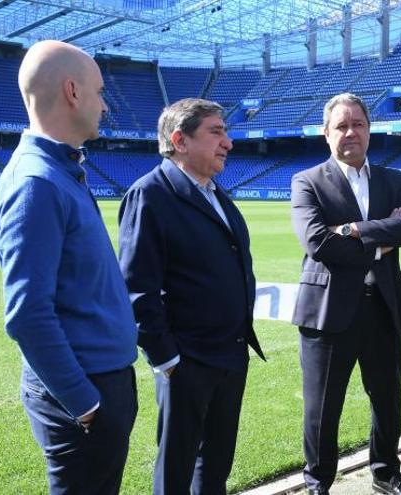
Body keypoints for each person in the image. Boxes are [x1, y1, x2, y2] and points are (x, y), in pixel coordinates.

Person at [0, 40, 138, 494]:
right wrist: (86, 405)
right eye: (97, 90)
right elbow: (29, 316)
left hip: (99, 382)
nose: (105, 104)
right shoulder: (36, 183)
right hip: (83, 394)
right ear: (72, 91)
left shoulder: (60, 171)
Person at [118, 97, 264, 495]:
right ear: (180, 140)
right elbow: (136, 287)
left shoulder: (216, 193)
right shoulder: (150, 194)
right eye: (216, 132)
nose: (228, 142)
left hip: (230, 354)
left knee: (215, 465)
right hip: (187, 362)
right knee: (177, 468)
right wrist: (167, 359)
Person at [290, 93, 401, 495]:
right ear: (326, 133)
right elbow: (319, 244)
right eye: (342, 126)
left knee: (387, 399)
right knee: (322, 408)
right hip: (328, 313)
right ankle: (318, 483)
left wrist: (353, 230)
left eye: (358, 124)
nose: (351, 133)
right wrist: (384, 237)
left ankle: (385, 473)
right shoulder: (307, 181)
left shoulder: (393, 179)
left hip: (383, 307)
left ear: (369, 128)